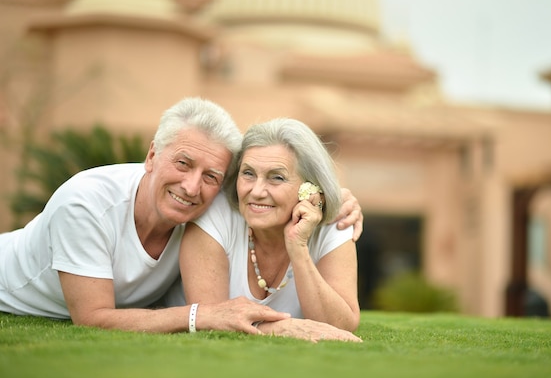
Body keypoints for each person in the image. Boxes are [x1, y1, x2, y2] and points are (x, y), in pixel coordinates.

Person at [0, 97, 362, 341]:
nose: (192, 187)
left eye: (211, 176)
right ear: (152, 155)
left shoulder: (216, 201)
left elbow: (344, 325)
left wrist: (327, 208)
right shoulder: (85, 203)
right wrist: (202, 316)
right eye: (183, 164)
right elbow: (92, 318)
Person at [177, 118, 360, 336]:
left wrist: (298, 246)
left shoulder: (334, 224)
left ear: (310, 189)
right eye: (248, 173)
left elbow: (340, 326)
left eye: (276, 177)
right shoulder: (215, 216)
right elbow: (212, 321)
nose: (256, 191)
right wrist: (280, 328)